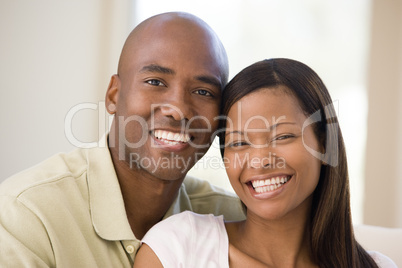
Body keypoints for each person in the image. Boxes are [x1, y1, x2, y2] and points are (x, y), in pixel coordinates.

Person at [0, 12, 245, 267]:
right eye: (155, 81)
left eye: (203, 91)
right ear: (114, 96)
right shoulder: (28, 215)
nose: (178, 109)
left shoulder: (234, 220)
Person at [133, 58, 397, 268]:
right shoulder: (178, 246)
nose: (259, 162)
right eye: (238, 143)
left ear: (325, 144)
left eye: (282, 136)